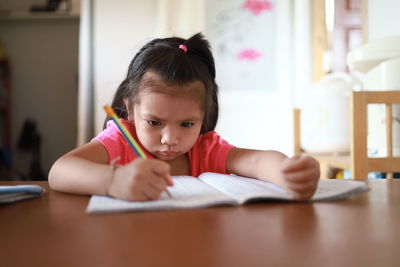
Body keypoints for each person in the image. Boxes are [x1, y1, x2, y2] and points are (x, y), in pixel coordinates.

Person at [49, 33, 320, 201]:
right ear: (130, 110)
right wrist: (113, 181)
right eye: (154, 122)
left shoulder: (204, 148)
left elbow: (257, 161)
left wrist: (288, 173)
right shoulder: (120, 139)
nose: (170, 138)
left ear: (205, 116)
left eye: (187, 124)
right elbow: (60, 172)